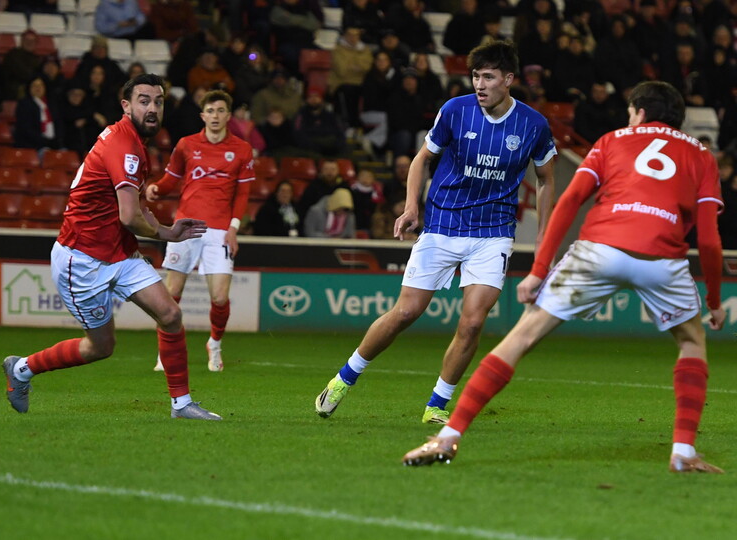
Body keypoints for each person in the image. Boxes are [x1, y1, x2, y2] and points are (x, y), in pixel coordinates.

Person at [402, 81, 726, 474]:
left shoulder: (611, 141)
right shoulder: (702, 155)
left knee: (521, 337)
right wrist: (713, 300)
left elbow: (570, 201)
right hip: (663, 257)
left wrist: (540, 271)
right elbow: (709, 241)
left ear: (639, 112)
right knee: (692, 342)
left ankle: (448, 437)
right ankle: (683, 451)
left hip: (600, 248)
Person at [314, 41, 557, 425]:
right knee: (407, 311)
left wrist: (544, 234)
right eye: (476, 76)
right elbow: (422, 158)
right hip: (442, 224)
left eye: (488, 77)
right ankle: (345, 377)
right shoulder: (455, 111)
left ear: (508, 80)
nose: (479, 84)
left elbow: (545, 179)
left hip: (493, 232)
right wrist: (412, 207)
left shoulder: (533, 124)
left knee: (474, 321)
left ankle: (437, 406)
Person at [1, 74, 222, 421]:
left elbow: (133, 208)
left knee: (170, 315)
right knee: (100, 347)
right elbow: (130, 216)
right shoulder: (124, 144)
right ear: (126, 106)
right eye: (144, 100)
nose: (152, 108)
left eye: (158, 101)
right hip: (82, 258)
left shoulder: (134, 141)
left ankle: (181, 405)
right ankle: (22, 369)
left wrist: (163, 228)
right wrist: (167, 234)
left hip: (117, 252)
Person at [146, 89, 255, 372]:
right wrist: (157, 187)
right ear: (202, 115)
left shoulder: (242, 149)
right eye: (210, 111)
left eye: (221, 111)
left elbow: (243, 194)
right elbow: (172, 178)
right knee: (171, 295)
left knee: (219, 297)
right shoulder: (185, 144)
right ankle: (165, 352)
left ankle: (214, 344)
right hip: (185, 227)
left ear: (228, 116)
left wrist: (233, 229)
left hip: (220, 230)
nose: (215, 116)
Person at [14, 77, 62, 151]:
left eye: (41, 85)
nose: (38, 88)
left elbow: (59, 124)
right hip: (32, 146)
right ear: (29, 88)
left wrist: (56, 141)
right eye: (34, 85)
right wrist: (46, 142)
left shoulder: (52, 104)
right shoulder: (24, 104)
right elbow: (26, 129)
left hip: (53, 145)